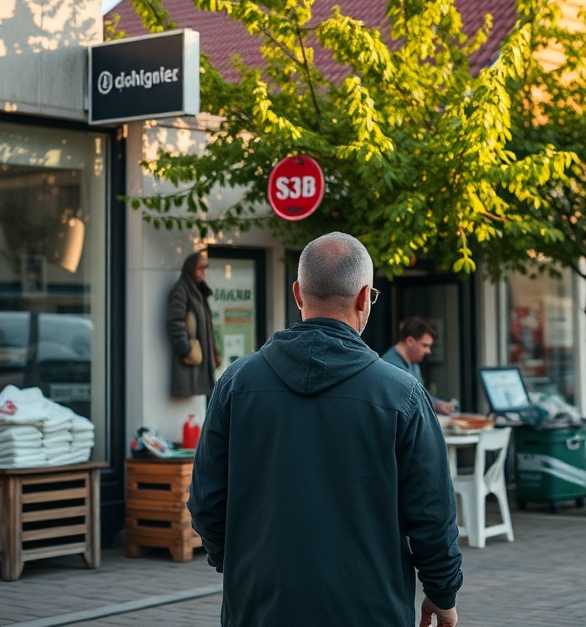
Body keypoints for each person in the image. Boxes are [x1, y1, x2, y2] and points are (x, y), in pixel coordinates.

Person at [188, 233, 462, 626]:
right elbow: (431, 513)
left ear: (298, 293)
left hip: (259, 608)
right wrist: (442, 592)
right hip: (370, 610)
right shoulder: (401, 393)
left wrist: (240, 565)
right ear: (364, 298)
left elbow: (206, 501)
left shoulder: (236, 384)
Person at [166, 250, 220, 397]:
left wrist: (214, 353)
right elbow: (175, 322)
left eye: (206, 267)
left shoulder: (199, 291)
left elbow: (208, 328)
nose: (204, 271)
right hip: (191, 363)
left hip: (202, 363)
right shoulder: (181, 290)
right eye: (200, 267)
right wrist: (187, 350)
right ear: (191, 269)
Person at [382, 316, 457, 415]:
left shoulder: (413, 364)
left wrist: (437, 404)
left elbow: (420, 396)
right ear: (410, 341)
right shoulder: (390, 366)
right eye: (425, 345)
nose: (428, 351)